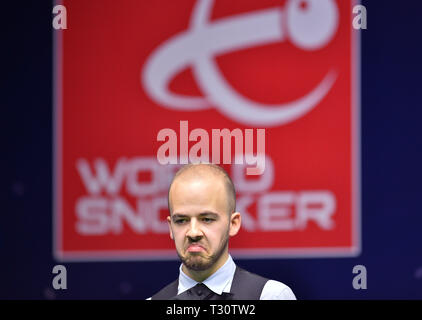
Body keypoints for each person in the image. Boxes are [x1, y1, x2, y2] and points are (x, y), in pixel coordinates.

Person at [150, 163, 296, 300]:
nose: (193, 232)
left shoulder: (271, 296)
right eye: (181, 220)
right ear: (170, 227)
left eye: (207, 219)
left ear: (233, 223)